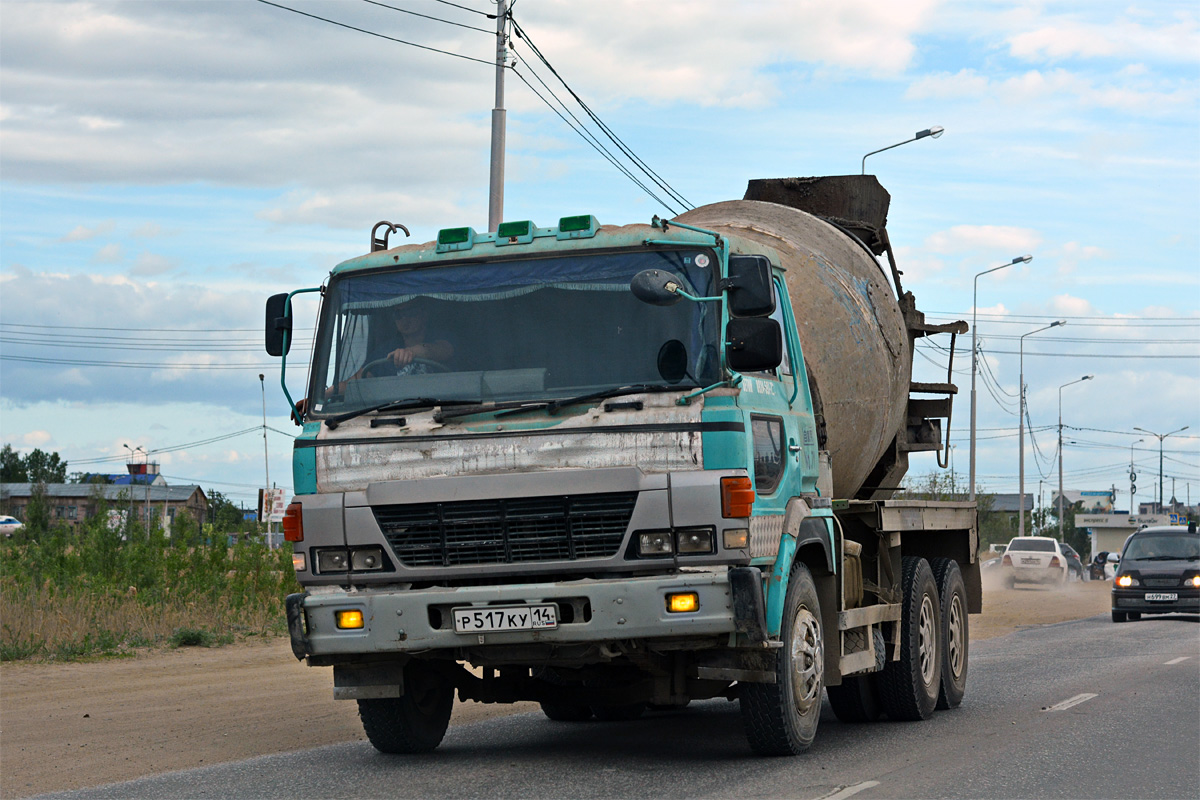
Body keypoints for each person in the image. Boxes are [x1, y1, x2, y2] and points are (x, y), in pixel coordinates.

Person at [292, 298, 453, 422]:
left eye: (410, 312)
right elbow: (358, 380)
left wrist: (412, 352)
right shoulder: (386, 350)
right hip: (394, 418)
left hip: (444, 415)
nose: (404, 319)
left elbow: (444, 350)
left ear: (424, 314)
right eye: (398, 314)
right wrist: (319, 397)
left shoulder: (441, 337)